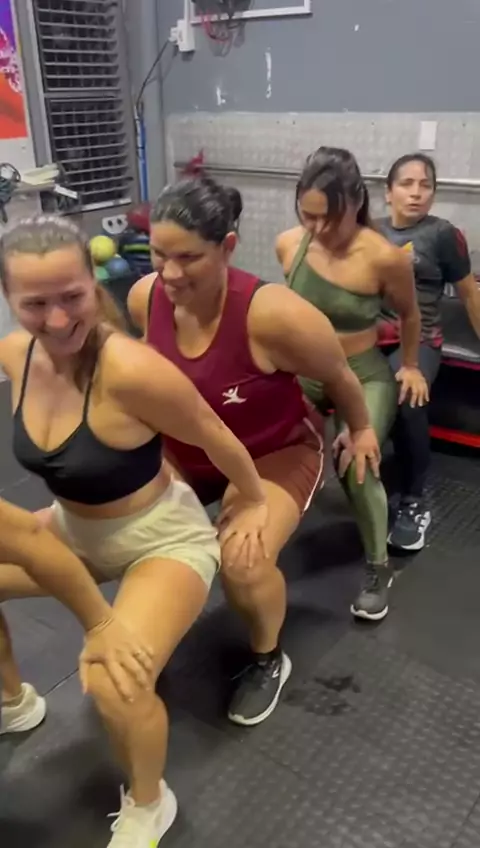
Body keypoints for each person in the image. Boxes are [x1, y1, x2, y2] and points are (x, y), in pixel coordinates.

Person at [0, 214, 279, 848]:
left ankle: (149, 804)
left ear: (92, 283)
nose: (57, 320)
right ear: (8, 299)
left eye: (71, 296)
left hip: (161, 539)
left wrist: (256, 500)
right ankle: (14, 704)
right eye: (34, 304)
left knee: (113, 681)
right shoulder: (16, 355)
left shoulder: (131, 369)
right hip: (72, 528)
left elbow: (214, 432)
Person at [128, 175, 380, 728]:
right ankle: (148, 636)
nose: (170, 273)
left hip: (275, 450)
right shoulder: (145, 296)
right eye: (159, 254)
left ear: (228, 247)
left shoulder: (275, 314)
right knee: (135, 530)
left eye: (188, 258)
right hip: (188, 451)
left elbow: (340, 375)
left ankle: (268, 659)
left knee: (242, 561)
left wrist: (361, 430)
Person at [276, 146, 427, 622]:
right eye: (308, 215)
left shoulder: (384, 258)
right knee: (262, 439)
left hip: (361, 373)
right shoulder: (289, 244)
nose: (318, 228)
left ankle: (379, 569)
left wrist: (410, 365)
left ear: (357, 202)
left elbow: (409, 315)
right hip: (304, 370)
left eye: (331, 217)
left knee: (355, 464)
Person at [376, 152, 480, 550]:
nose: (416, 193)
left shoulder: (443, 235)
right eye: (407, 184)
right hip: (373, 336)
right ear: (388, 192)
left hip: (420, 338)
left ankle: (414, 500)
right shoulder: (370, 232)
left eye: (426, 185)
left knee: (408, 399)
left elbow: (469, 294)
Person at [0, 496, 156, 733]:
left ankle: (15, 703)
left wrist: (100, 623)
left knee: (113, 684)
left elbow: (29, 537)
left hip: (151, 526)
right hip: (83, 515)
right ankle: (14, 703)